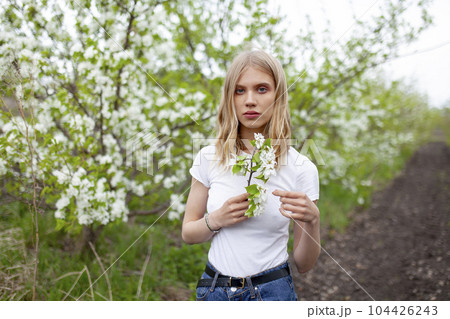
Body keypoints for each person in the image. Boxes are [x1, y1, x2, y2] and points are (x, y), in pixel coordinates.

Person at [182, 49, 320, 301]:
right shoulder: (208, 157)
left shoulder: (301, 168)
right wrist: (217, 219)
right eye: (239, 90)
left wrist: (313, 221)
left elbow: (304, 264)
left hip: (271, 292)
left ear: (278, 96)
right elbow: (188, 233)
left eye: (262, 89)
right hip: (215, 291)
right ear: (230, 98)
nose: (250, 100)